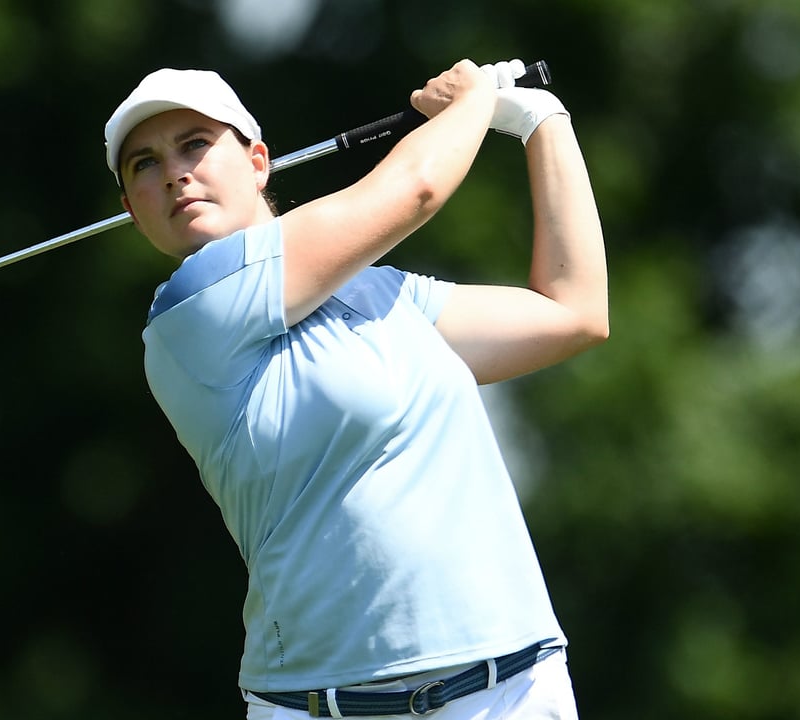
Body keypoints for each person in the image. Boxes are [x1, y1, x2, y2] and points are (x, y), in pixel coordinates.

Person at [103, 57, 607, 719]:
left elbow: (573, 312)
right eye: (144, 163)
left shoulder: (386, 295)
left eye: (194, 144)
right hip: (321, 706)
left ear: (258, 162)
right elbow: (418, 188)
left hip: (509, 690)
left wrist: (544, 121)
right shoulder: (188, 316)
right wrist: (472, 103)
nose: (173, 172)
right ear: (131, 209)